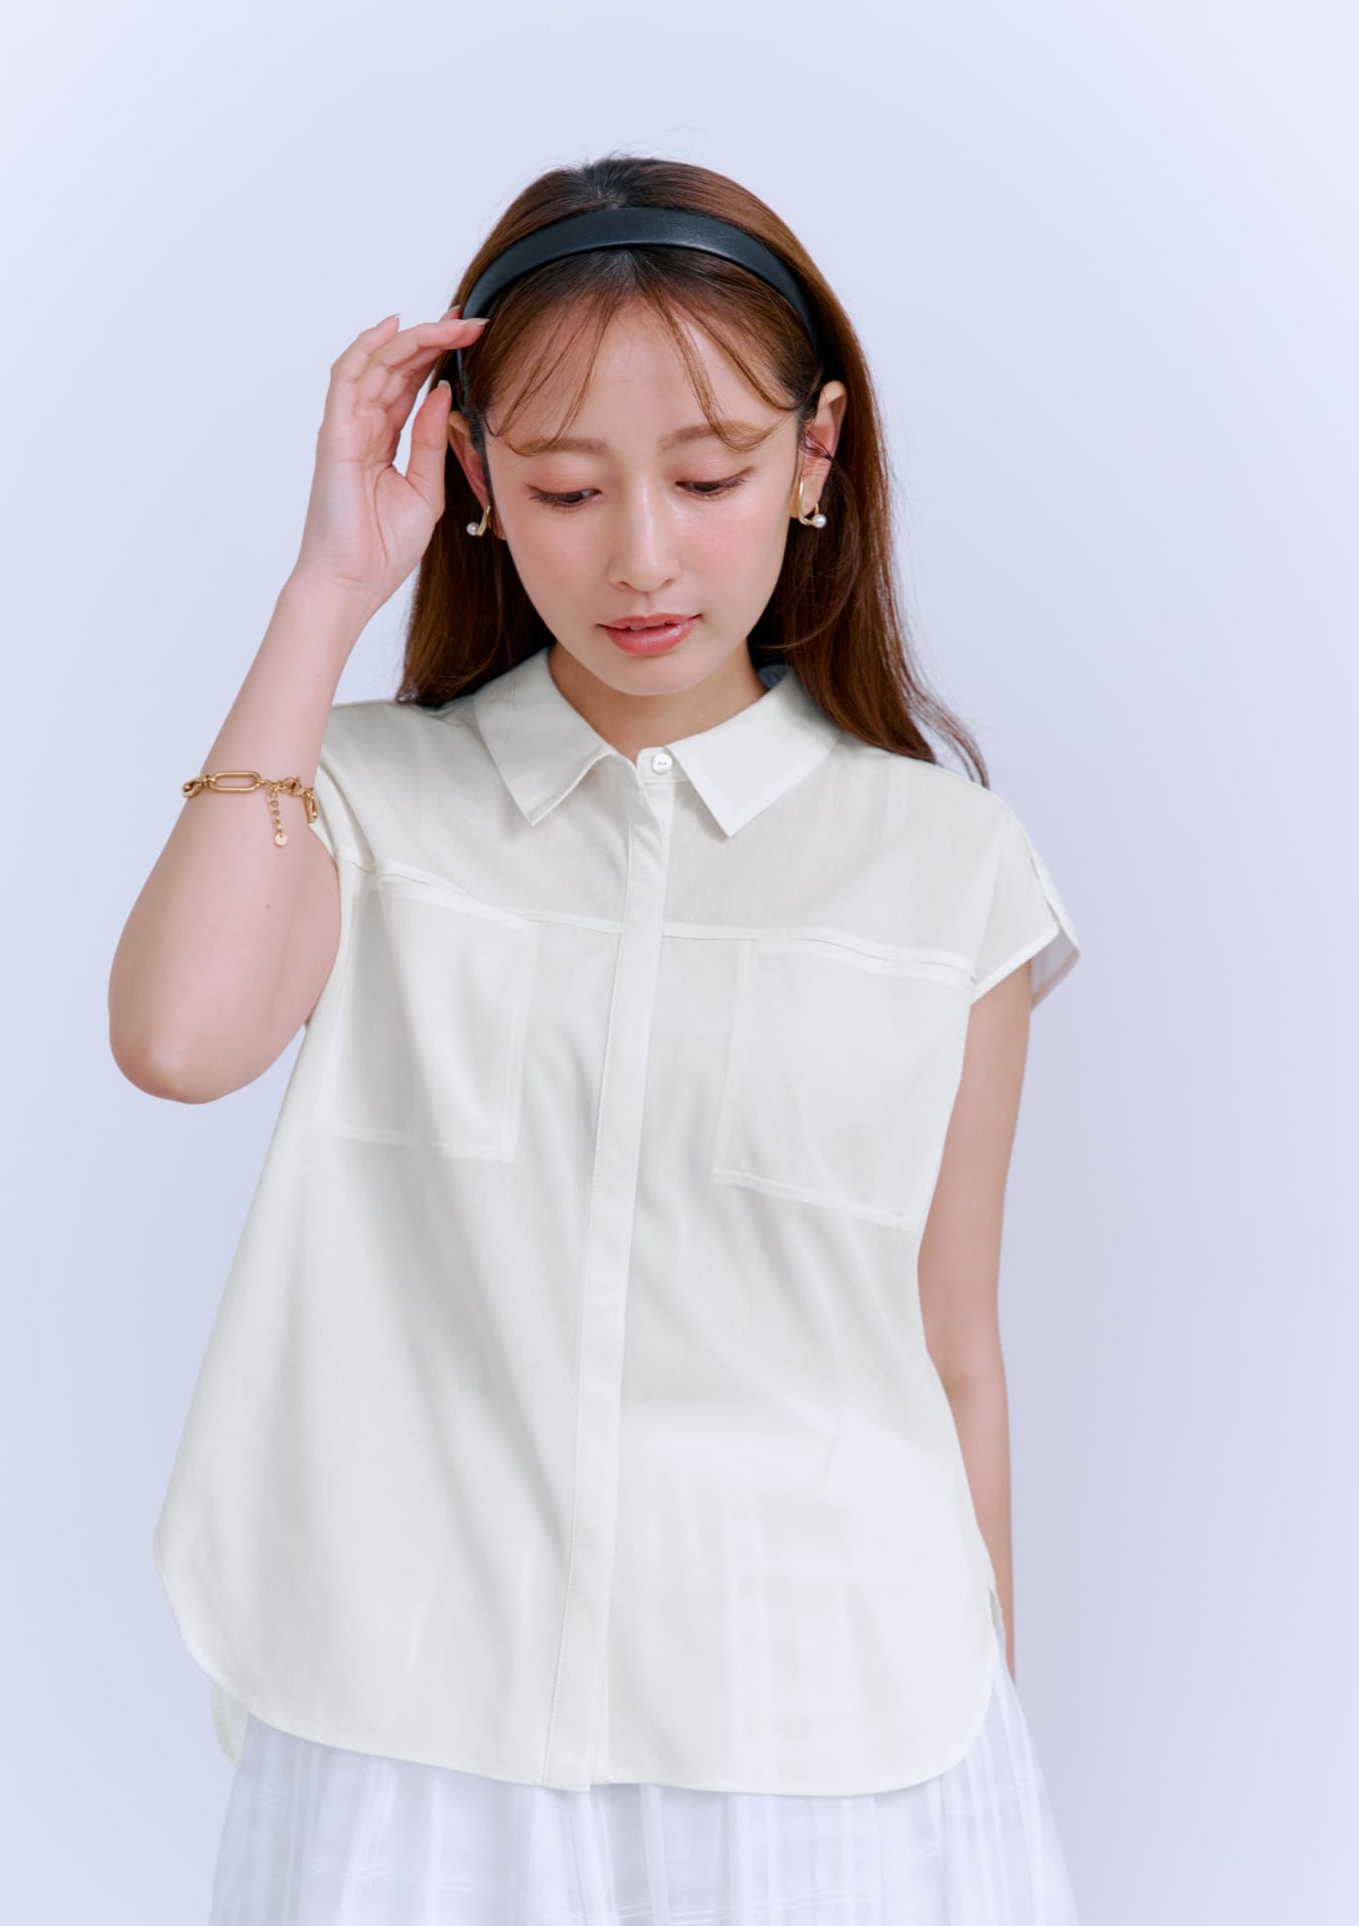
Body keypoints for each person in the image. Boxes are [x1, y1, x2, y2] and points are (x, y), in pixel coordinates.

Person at [110, 153, 1084, 1924]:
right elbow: (178, 1036)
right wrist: (329, 585)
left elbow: (955, 1354)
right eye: (565, 486)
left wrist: (979, 1741)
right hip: (420, 1725)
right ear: (476, 477)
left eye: (707, 476)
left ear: (814, 453)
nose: (641, 554)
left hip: (829, 1739)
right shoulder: (363, 803)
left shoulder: (947, 865)